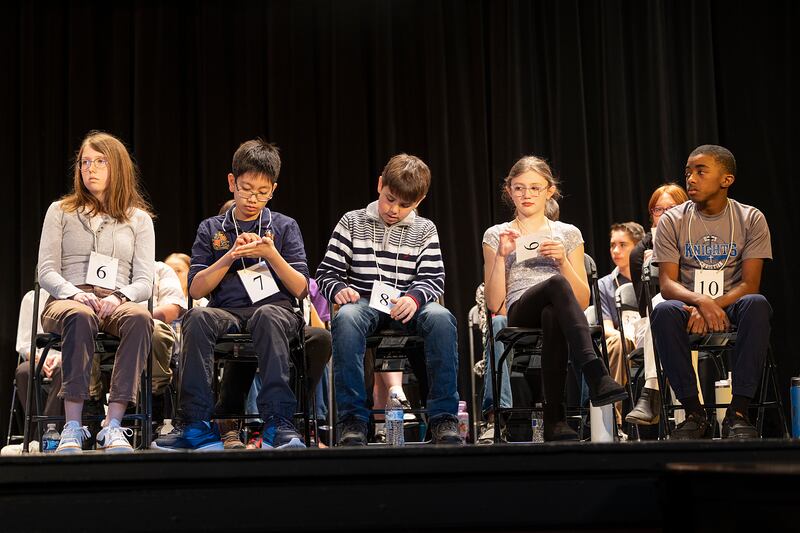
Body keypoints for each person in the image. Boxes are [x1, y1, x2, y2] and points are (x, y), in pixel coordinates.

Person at [153, 139, 311, 451]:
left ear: (273, 190)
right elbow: (196, 289)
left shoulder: (284, 226)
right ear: (231, 183)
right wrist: (228, 257)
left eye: (262, 192)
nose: (254, 198)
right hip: (225, 311)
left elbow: (301, 288)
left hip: (275, 310)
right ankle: (195, 424)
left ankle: (277, 423)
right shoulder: (212, 228)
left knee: (267, 315)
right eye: (247, 188)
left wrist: (270, 254)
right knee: (197, 317)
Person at [316, 153, 463, 446]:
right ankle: (354, 421)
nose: (394, 209)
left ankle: (443, 418)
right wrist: (339, 290)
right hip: (365, 302)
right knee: (345, 317)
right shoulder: (352, 221)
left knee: (442, 318)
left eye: (405, 205)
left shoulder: (425, 229)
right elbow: (327, 272)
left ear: (419, 200)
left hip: (409, 304)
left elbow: (434, 278)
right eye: (389, 198)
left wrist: (414, 298)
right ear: (380, 184)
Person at [482, 156, 627, 441]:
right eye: (519, 188)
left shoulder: (568, 233)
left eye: (535, 188)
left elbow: (583, 301)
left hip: (561, 313)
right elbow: (495, 304)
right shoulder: (497, 234)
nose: (527, 195)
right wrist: (501, 256)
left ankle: (554, 421)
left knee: (553, 311)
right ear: (509, 190)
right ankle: (595, 371)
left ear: (550, 190)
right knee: (556, 286)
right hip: (519, 310)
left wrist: (563, 261)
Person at [37, 130, 155, 454]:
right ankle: (72, 427)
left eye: (99, 161)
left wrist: (120, 297)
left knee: (141, 317)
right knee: (80, 314)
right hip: (67, 300)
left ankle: (113, 426)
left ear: (117, 166)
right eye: (84, 162)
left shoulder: (139, 220)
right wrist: (73, 293)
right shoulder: (60, 211)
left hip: (116, 299)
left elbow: (146, 280)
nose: (90, 168)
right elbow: (45, 271)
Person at [651, 145, 772, 439]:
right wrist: (701, 302)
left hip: (732, 303)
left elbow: (749, 284)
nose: (690, 178)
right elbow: (667, 285)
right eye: (688, 172)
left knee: (757, 303)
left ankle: (738, 412)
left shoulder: (751, 218)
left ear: (726, 180)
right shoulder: (672, 220)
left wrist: (712, 306)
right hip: (689, 305)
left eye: (701, 171)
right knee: (663, 311)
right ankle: (694, 413)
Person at [625, 183, 688, 425]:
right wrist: (651, 271)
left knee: (668, 319)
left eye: (671, 208)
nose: (664, 214)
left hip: (694, 314)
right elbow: (644, 306)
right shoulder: (641, 251)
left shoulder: (695, 240)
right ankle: (689, 418)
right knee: (660, 306)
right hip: (652, 325)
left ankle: (651, 394)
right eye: (658, 210)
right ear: (651, 215)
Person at [597, 221, 645, 425]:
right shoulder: (605, 284)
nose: (615, 250)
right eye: (612, 245)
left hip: (647, 337)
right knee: (617, 343)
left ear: (638, 247)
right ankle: (613, 420)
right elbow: (606, 327)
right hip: (621, 341)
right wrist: (623, 336)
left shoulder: (650, 277)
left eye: (623, 245)